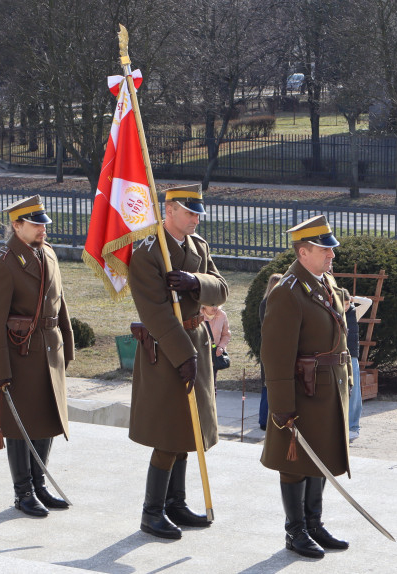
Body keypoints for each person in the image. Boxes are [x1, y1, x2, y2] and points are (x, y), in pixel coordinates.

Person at [128, 184, 228, 540]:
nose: (196, 218)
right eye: (189, 212)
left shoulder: (197, 246)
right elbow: (153, 311)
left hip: (195, 340)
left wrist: (194, 282)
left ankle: (176, 503)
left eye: (198, 212)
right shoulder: (148, 252)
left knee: (190, 428)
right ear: (168, 210)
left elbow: (222, 287)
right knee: (169, 432)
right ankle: (151, 512)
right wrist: (183, 354)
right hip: (166, 349)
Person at [0, 195, 75, 517]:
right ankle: (23, 492)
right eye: (35, 224)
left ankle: (39, 483)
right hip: (20, 355)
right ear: (17, 226)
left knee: (46, 420)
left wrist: (67, 344)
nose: (43, 228)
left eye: (44, 223)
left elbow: (60, 304)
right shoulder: (1, 263)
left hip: (49, 351)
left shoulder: (48, 254)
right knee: (19, 427)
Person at [260, 215, 352, 559]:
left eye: (331, 249)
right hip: (302, 390)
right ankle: (295, 531)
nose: (332, 255)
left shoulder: (323, 282)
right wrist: (282, 406)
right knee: (296, 463)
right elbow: (275, 354)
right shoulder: (287, 292)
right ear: (302, 252)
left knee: (322, 456)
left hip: (327, 389)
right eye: (324, 250)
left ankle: (314, 525)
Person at [258, 273, 284, 431]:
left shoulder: (281, 303)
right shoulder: (266, 303)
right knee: (267, 384)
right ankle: (263, 420)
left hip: (279, 348)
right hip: (270, 348)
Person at [346, 295, 372, 442]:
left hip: (351, 357)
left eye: (347, 303)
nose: (345, 306)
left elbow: (368, 302)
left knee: (354, 393)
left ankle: (353, 427)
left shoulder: (354, 312)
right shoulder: (333, 313)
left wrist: (352, 298)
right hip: (337, 357)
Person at [201, 305, 230, 384]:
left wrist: (221, 347)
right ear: (204, 305)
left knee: (212, 385)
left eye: (216, 305)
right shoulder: (197, 314)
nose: (214, 308)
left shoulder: (222, 315)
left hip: (214, 356)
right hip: (200, 356)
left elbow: (226, 335)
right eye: (211, 305)